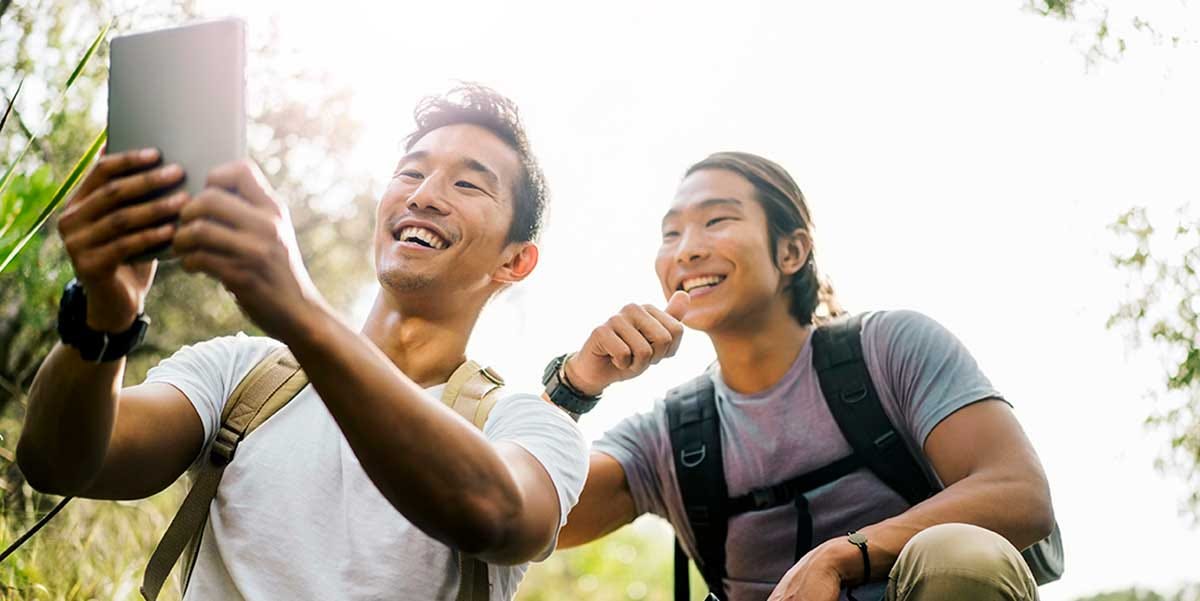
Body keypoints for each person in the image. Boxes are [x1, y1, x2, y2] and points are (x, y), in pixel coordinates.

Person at [17, 84, 588, 600]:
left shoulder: (531, 428)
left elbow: (498, 517)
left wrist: (295, 307)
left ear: (515, 261)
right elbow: (59, 464)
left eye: (467, 184)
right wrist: (103, 320)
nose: (425, 195)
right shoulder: (241, 372)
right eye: (410, 174)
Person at [540, 152, 1054, 601]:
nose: (687, 249)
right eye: (670, 232)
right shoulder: (669, 436)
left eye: (717, 220)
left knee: (962, 554)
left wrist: (840, 556)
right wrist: (578, 383)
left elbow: (1018, 492)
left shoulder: (890, 347)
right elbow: (528, 514)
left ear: (792, 251)